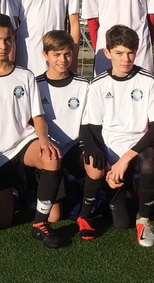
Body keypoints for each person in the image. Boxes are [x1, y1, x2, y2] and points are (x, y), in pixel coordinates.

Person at [0, 13, 64, 248]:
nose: (3, 45)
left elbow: (37, 116)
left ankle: (39, 223)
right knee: (3, 221)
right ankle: (18, 187)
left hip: (24, 142)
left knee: (51, 159)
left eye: (8, 39)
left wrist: (44, 139)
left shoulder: (25, 75)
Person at [83, 25, 154, 247]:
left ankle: (144, 219)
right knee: (121, 223)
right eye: (119, 53)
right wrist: (109, 166)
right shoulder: (98, 84)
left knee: (148, 164)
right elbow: (94, 129)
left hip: (139, 147)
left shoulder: (148, 81)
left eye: (130, 53)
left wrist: (125, 159)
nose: (125, 59)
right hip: (111, 151)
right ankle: (132, 193)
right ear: (107, 53)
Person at [33, 30, 103, 237]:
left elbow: (88, 122)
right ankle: (37, 185)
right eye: (56, 54)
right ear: (45, 55)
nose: (62, 60)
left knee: (96, 167)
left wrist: (90, 147)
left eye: (67, 54)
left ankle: (84, 215)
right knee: (54, 217)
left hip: (73, 146)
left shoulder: (84, 85)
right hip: (48, 148)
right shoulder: (35, 85)